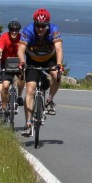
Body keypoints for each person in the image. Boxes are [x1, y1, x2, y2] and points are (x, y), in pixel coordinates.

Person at [17, 8, 63, 136]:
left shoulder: (54, 30)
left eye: (43, 26)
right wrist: (22, 62)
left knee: (56, 75)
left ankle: (50, 100)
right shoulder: (28, 30)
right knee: (30, 90)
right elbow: (20, 49)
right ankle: (28, 124)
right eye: (38, 25)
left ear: (48, 24)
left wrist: (59, 64)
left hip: (49, 59)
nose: (40, 29)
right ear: (34, 24)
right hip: (33, 60)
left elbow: (58, 48)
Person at [0, 19, 25, 115]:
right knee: (5, 86)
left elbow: (27, 50)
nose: (14, 32)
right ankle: (4, 107)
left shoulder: (21, 38)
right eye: (12, 30)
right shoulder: (4, 37)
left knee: (22, 77)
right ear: (9, 30)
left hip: (18, 62)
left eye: (16, 30)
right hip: (6, 63)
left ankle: (19, 96)